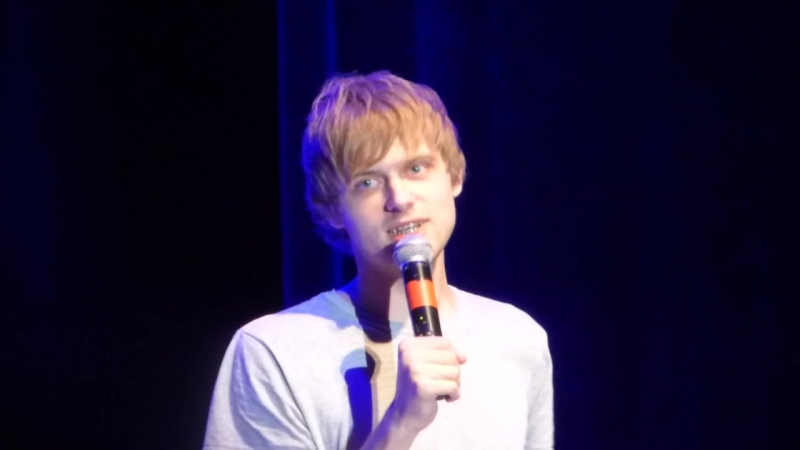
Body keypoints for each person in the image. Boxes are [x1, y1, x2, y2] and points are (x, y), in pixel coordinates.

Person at [203, 71, 554, 449]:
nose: (399, 199)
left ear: (454, 176)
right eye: (367, 182)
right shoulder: (273, 351)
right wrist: (401, 423)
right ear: (333, 209)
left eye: (416, 169)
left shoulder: (517, 337)